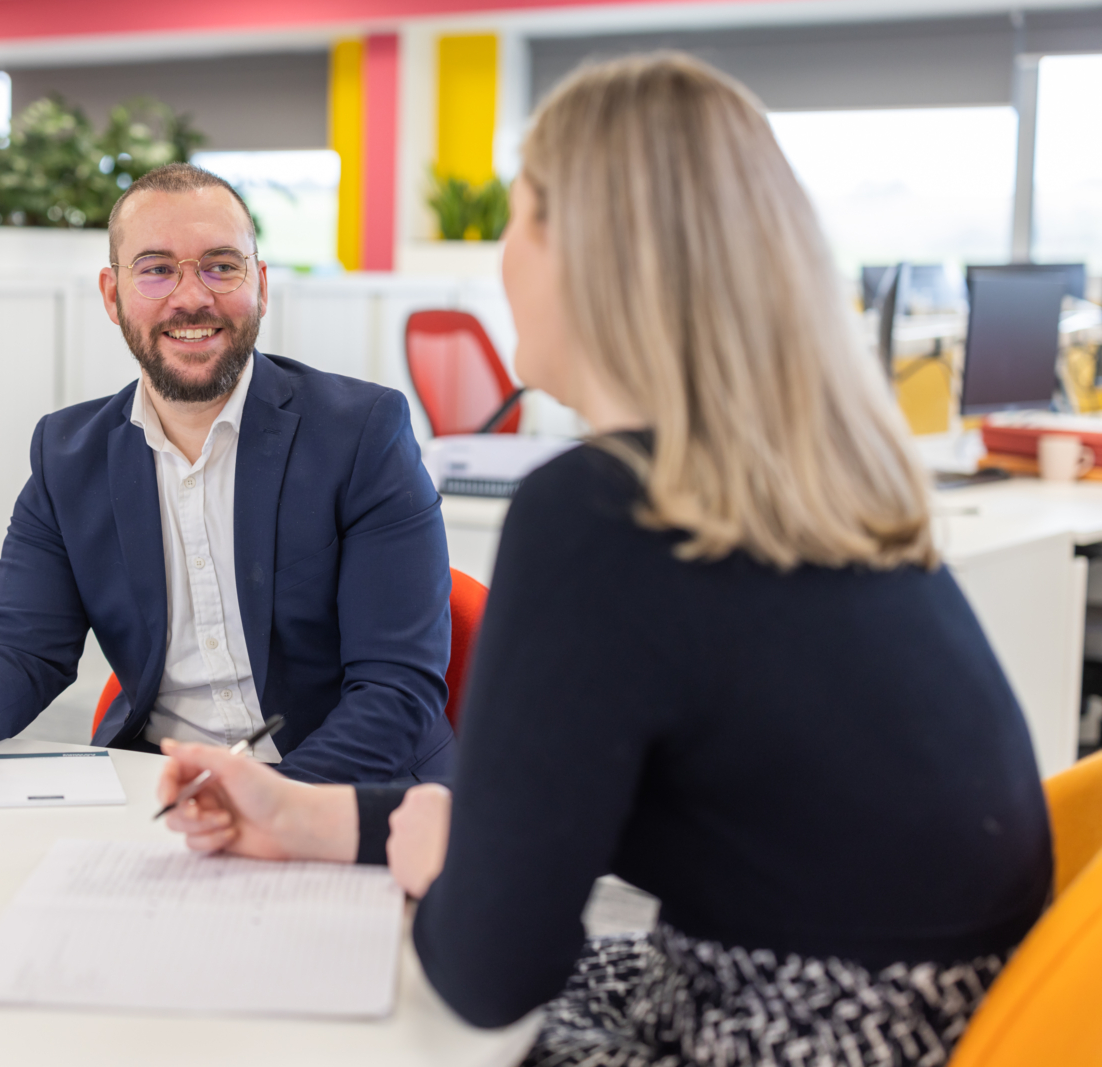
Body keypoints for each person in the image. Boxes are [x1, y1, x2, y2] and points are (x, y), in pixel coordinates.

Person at [157, 53, 1052, 1065]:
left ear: (585, 249)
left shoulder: (599, 510)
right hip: (933, 1018)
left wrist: (444, 873)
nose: (501, 259)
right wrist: (312, 817)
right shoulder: (823, 488)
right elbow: (568, 810)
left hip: (792, 1030)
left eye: (516, 217)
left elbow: (491, 973)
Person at [0, 163, 454, 785]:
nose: (191, 297)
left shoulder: (361, 434)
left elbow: (395, 690)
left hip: (350, 792)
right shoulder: (68, 456)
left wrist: (266, 800)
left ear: (260, 285)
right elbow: (23, 643)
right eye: (156, 269)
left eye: (221, 265)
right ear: (112, 295)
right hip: (160, 793)